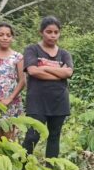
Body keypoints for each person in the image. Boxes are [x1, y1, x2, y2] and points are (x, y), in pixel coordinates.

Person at [22, 16, 74, 160]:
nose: (52, 35)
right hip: (37, 100)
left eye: (56, 32)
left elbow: (69, 72)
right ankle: (21, 169)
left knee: (54, 135)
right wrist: (59, 74)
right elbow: (32, 71)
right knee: (33, 135)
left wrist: (43, 67)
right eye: (49, 31)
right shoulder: (32, 50)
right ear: (41, 32)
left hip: (59, 100)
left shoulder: (64, 54)